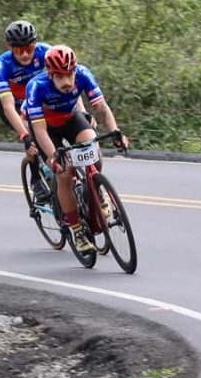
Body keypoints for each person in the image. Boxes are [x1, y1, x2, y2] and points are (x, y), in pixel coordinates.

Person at [21, 45, 129, 254]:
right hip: (44, 127)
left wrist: (116, 132)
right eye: (60, 77)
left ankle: (95, 190)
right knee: (63, 173)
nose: (68, 82)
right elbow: (40, 130)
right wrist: (53, 157)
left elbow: (101, 108)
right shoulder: (36, 86)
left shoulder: (84, 75)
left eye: (70, 74)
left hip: (70, 119)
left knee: (94, 153)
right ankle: (77, 230)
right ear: (50, 74)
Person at [0, 20, 51, 202]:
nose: (25, 54)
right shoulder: (3, 65)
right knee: (32, 132)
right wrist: (25, 136)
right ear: (10, 48)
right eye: (19, 50)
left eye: (29, 48)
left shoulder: (45, 53)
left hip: (37, 102)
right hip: (13, 106)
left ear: (36, 43)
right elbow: (8, 106)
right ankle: (35, 180)